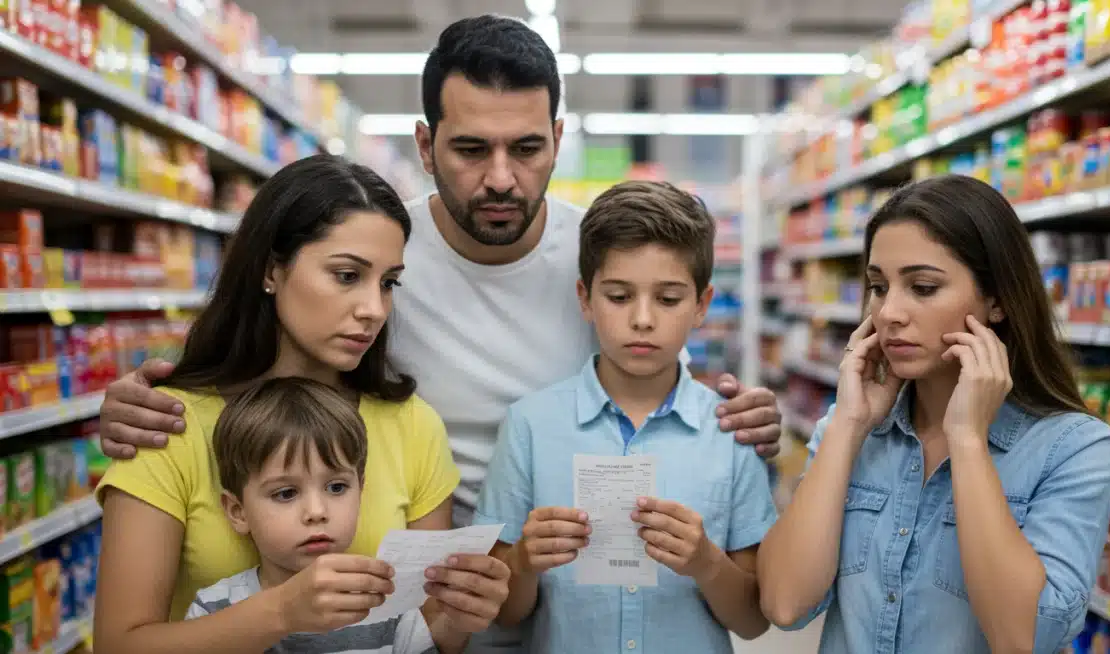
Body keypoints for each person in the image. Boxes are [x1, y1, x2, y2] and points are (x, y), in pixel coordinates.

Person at [94, 13, 784, 530]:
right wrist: (156, 404)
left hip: (576, 582)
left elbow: (662, 389)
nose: (502, 178)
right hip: (417, 582)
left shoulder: (604, 257)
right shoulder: (379, 256)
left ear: (558, 142)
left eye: (526, 148)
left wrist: (740, 420)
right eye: (470, 149)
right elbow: (282, 372)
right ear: (425, 145)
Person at [93, 155, 510, 654]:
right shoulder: (165, 424)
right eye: (346, 275)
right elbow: (117, 646)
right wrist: (283, 612)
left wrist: (462, 611)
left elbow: (427, 636)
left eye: (388, 282)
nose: (373, 309)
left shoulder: (411, 425)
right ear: (272, 269)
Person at [757, 174, 1110, 653]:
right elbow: (784, 603)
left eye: (923, 287)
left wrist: (967, 440)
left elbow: (1022, 638)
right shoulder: (852, 428)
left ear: (997, 301)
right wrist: (847, 425)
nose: (889, 313)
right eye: (878, 287)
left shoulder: (1072, 447)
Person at [473, 181, 777, 653]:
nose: (642, 319)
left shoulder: (730, 432)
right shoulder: (530, 426)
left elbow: (755, 621)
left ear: (701, 305)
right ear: (584, 297)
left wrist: (705, 563)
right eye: (618, 296)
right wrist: (524, 562)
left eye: (668, 299)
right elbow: (503, 611)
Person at [187, 376, 450, 653]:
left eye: (336, 487)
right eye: (286, 493)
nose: (317, 512)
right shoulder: (214, 610)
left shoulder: (391, 603)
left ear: (360, 490)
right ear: (238, 512)